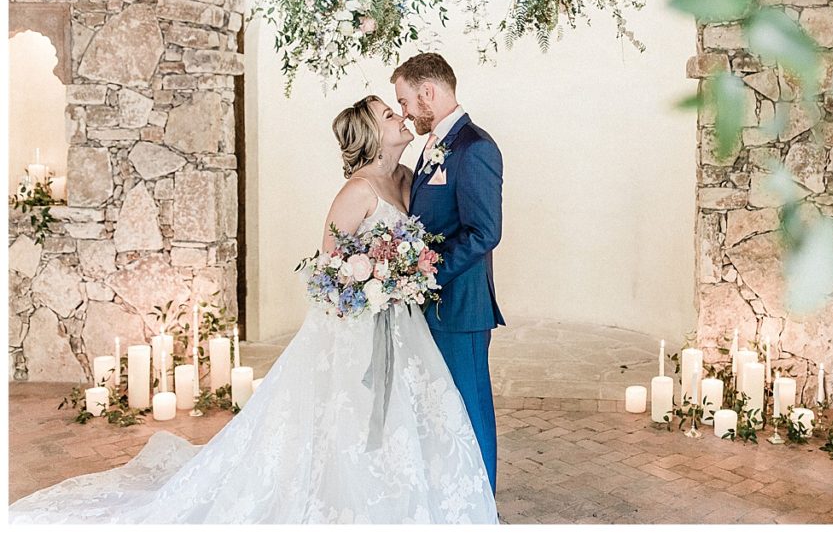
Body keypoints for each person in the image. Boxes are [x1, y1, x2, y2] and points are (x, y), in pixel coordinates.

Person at [8, 96, 498, 525]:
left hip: (403, 323)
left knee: (405, 411)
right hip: (357, 328)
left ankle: (402, 492)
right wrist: (373, 280)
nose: (401, 118)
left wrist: (400, 275)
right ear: (372, 134)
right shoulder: (357, 191)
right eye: (390, 114)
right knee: (351, 413)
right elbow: (329, 270)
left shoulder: (409, 179)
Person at [392, 53, 505, 495]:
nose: (404, 112)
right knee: (445, 410)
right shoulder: (435, 145)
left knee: (471, 410)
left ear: (428, 92)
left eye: (405, 101)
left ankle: (482, 507)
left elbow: (484, 232)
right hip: (435, 307)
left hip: (461, 306)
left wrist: (427, 274)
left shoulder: (475, 147)